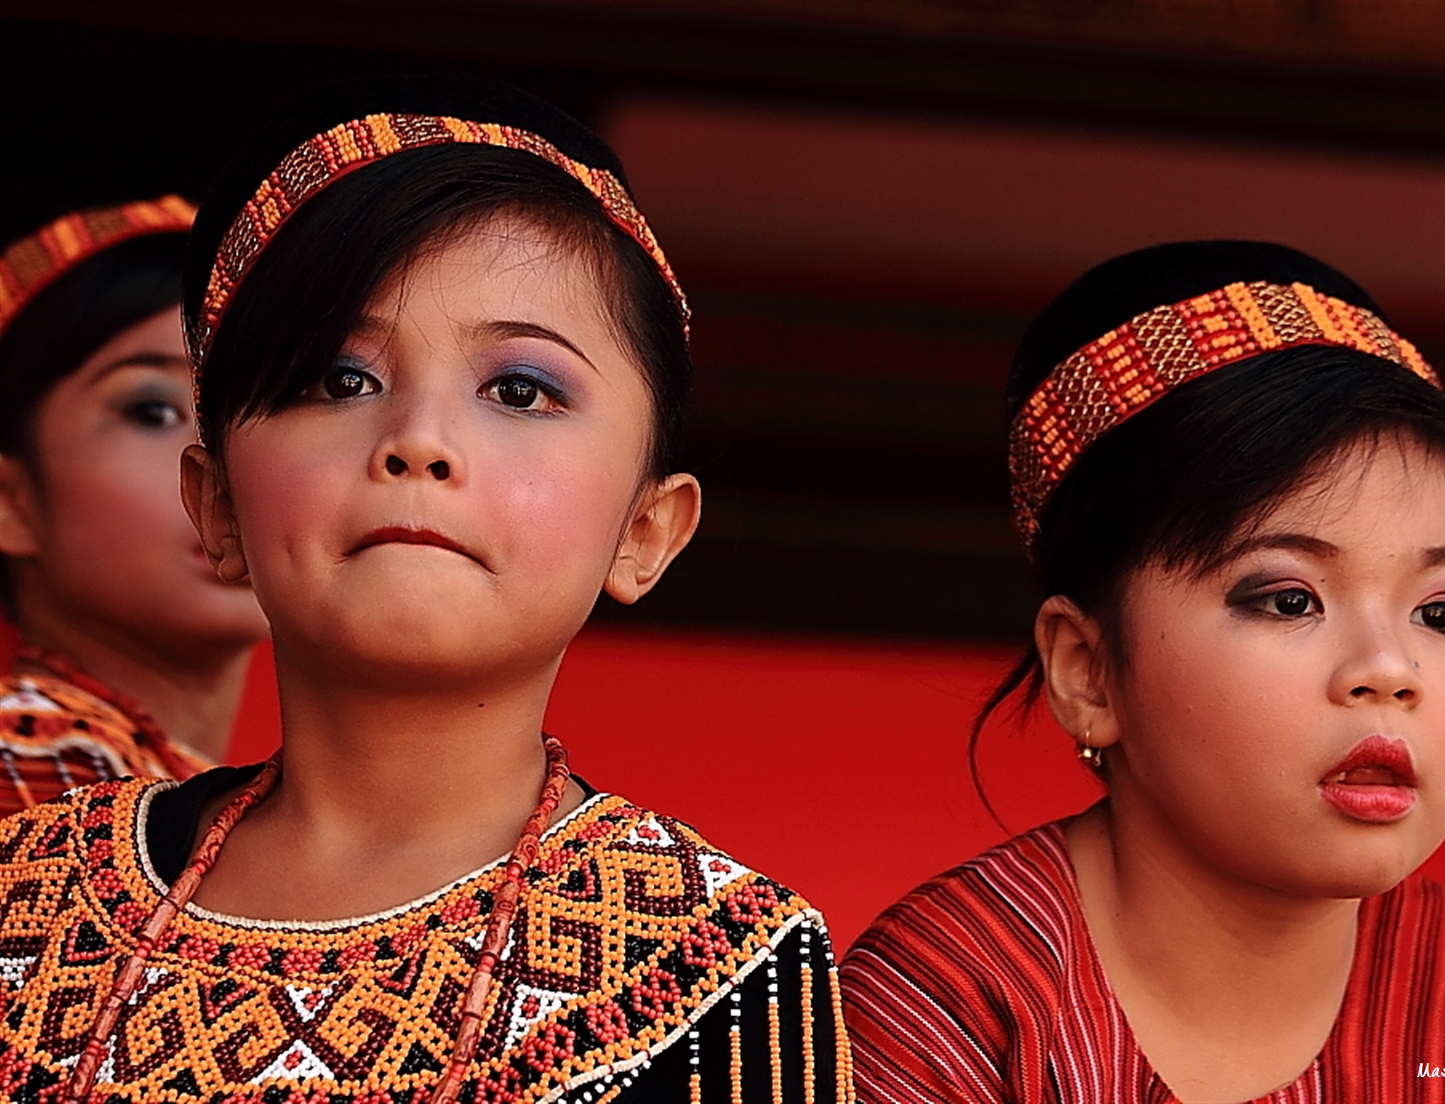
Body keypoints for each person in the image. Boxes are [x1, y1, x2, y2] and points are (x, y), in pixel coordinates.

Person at [0, 77, 851, 1103]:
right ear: (218, 504)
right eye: (339, 382)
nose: (417, 443)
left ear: (645, 531)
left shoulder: (721, 960)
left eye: (520, 390)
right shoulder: (23, 895)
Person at [840, 242, 1445, 1103]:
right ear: (1088, 673)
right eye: (1286, 600)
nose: (1388, 670)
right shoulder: (953, 1000)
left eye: (1442, 614)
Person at [0, 193, 268, 813]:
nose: (222, 462)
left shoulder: (216, 800)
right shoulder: (36, 770)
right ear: (11, 501)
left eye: (268, 401)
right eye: (153, 411)